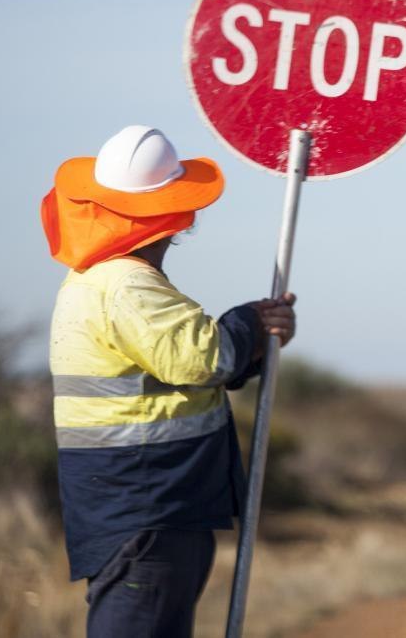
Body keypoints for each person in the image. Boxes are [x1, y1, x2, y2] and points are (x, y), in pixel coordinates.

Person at [41, 125, 296, 637]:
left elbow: (179, 373)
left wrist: (256, 343)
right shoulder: (128, 286)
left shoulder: (99, 280)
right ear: (174, 215)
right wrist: (251, 322)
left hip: (134, 504)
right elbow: (206, 361)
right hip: (148, 506)